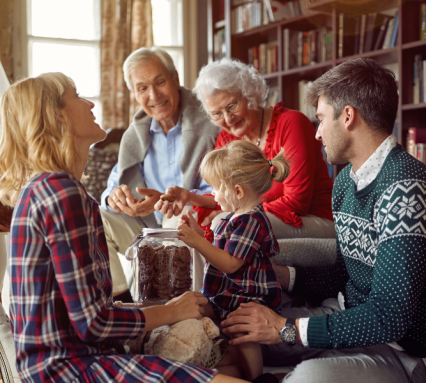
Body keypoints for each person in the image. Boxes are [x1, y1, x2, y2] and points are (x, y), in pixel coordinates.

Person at [0, 72, 248, 383]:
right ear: (56, 116)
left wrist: (158, 308)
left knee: (232, 366)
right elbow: (93, 323)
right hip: (69, 369)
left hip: (60, 363)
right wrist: (173, 310)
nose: (90, 103)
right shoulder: (61, 191)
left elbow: (82, 311)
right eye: (76, 96)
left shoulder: (45, 187)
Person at [219, 58, 426, 383]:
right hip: (345, 314)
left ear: (347, 117)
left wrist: (285, 329)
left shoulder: (405, 189)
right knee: (240, 337)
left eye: (320, 119)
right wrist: (282, 275)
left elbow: (390, 318)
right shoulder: (345, 181)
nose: (316, 134)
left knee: (307, 377)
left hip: (401, 349)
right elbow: (347, 274)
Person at [155, 58, 334, 240]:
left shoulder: (291, 124)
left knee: (224, 224)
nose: (228, 118)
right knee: (181, 219)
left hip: (310, 219)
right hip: (260, 216)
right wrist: (188, 197)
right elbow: (224, 196)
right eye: (217, 113)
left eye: (231, 106)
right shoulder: (226, 139)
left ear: (249, 94)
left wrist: (230, 216)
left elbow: (296, 203)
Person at [100, 47, 220, 300]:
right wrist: (116, 197)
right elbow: (114, 185)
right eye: (142, 88)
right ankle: (123, 303)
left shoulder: (210, 122)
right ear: (135, 94)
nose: (153, 95)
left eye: (160, 82)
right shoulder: (136, 134)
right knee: (95, 218)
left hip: (191, 220)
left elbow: (223, 188)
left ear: (175, 79)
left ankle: (185, 308)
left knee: (179, 218)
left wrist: (179, 199)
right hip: (146, 227)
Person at [177, 140, 288, 380]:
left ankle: (257, 377)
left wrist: (198, 243)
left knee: (243, 334)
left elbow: (230, 263)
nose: (213, 195)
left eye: (215, 188)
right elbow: (219, 248)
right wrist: (198, 233)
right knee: (195, 308)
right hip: (227, 293)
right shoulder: (233, 217)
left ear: (238, 191)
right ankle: (226, 363)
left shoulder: (252, 220)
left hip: (246, 297)